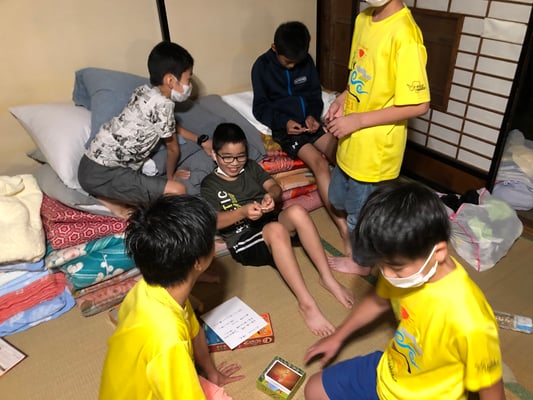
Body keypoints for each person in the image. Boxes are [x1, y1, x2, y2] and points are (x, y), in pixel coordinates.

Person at [303, 181, 506, 400]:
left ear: (438, 252)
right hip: (392, 371)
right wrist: (338, 336)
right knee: (313, 389)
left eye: (396, 268)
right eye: (382, 265)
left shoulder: (471, 321)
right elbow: (378, 300)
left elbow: (493, 393)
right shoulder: (405, 271)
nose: (386, 274)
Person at [200, 123, 354, 337]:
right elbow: (214, 221)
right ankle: (307, 304)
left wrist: (271, 197)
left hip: (268, 220)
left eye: (240, 157)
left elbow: (273, 187)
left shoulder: (250, 167)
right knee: (275, 230)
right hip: (244, 239)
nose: (234, 163)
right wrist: (242, 212)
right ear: (214, 155)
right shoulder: (209, 185)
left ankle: (327, 278)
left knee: (297, 211)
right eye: (227, 158)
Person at [99, 194, 243, 400]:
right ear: (197, 262)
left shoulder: (149, 288)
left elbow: (194, 330)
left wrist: (212, 373)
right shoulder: (168, 340)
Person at [324, 0, 431, 274]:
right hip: (350, 138)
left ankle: (362, 263)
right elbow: (359, 75)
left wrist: (358, 120)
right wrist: (343, 98)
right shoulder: (363, 19)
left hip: (375, 149)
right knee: (337, 198)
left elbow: (419, 105)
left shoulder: (405, 34)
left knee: (360, 215)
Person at [251, 21, 352, 263]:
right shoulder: (262, 67)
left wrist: (313, 116)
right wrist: (284, 122)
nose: (293, 66)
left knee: (343, 155)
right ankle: (344, 229)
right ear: (274, 47)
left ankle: (360, 211)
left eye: (297, 61)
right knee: (319, 163)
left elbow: (314, 95)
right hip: (287, 129)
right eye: (288, 62)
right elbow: (260, 107)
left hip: (310, 123)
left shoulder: (306, 61)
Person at [78, 41, 196, 218]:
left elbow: (168, 126)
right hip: (102, 175)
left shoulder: (143, 91)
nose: (190, 85)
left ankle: (111, 199)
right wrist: (170, 177)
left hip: (88, 166)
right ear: (171, 80)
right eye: (188, 79)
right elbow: (173, 149)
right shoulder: (164, 105)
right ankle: (107, 198)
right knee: (178, 191)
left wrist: (199, 139)